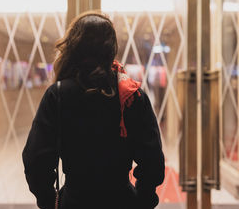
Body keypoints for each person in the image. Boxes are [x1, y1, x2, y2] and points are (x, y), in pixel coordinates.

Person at [22, 11, 165, 209]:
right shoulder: (131, 95)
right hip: (122, 200)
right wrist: (142, 201)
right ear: (111, 49)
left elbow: (36, 161)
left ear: (73, 47)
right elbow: (153, 161)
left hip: (74, 201)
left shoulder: (58, 95)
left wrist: (49, 202)